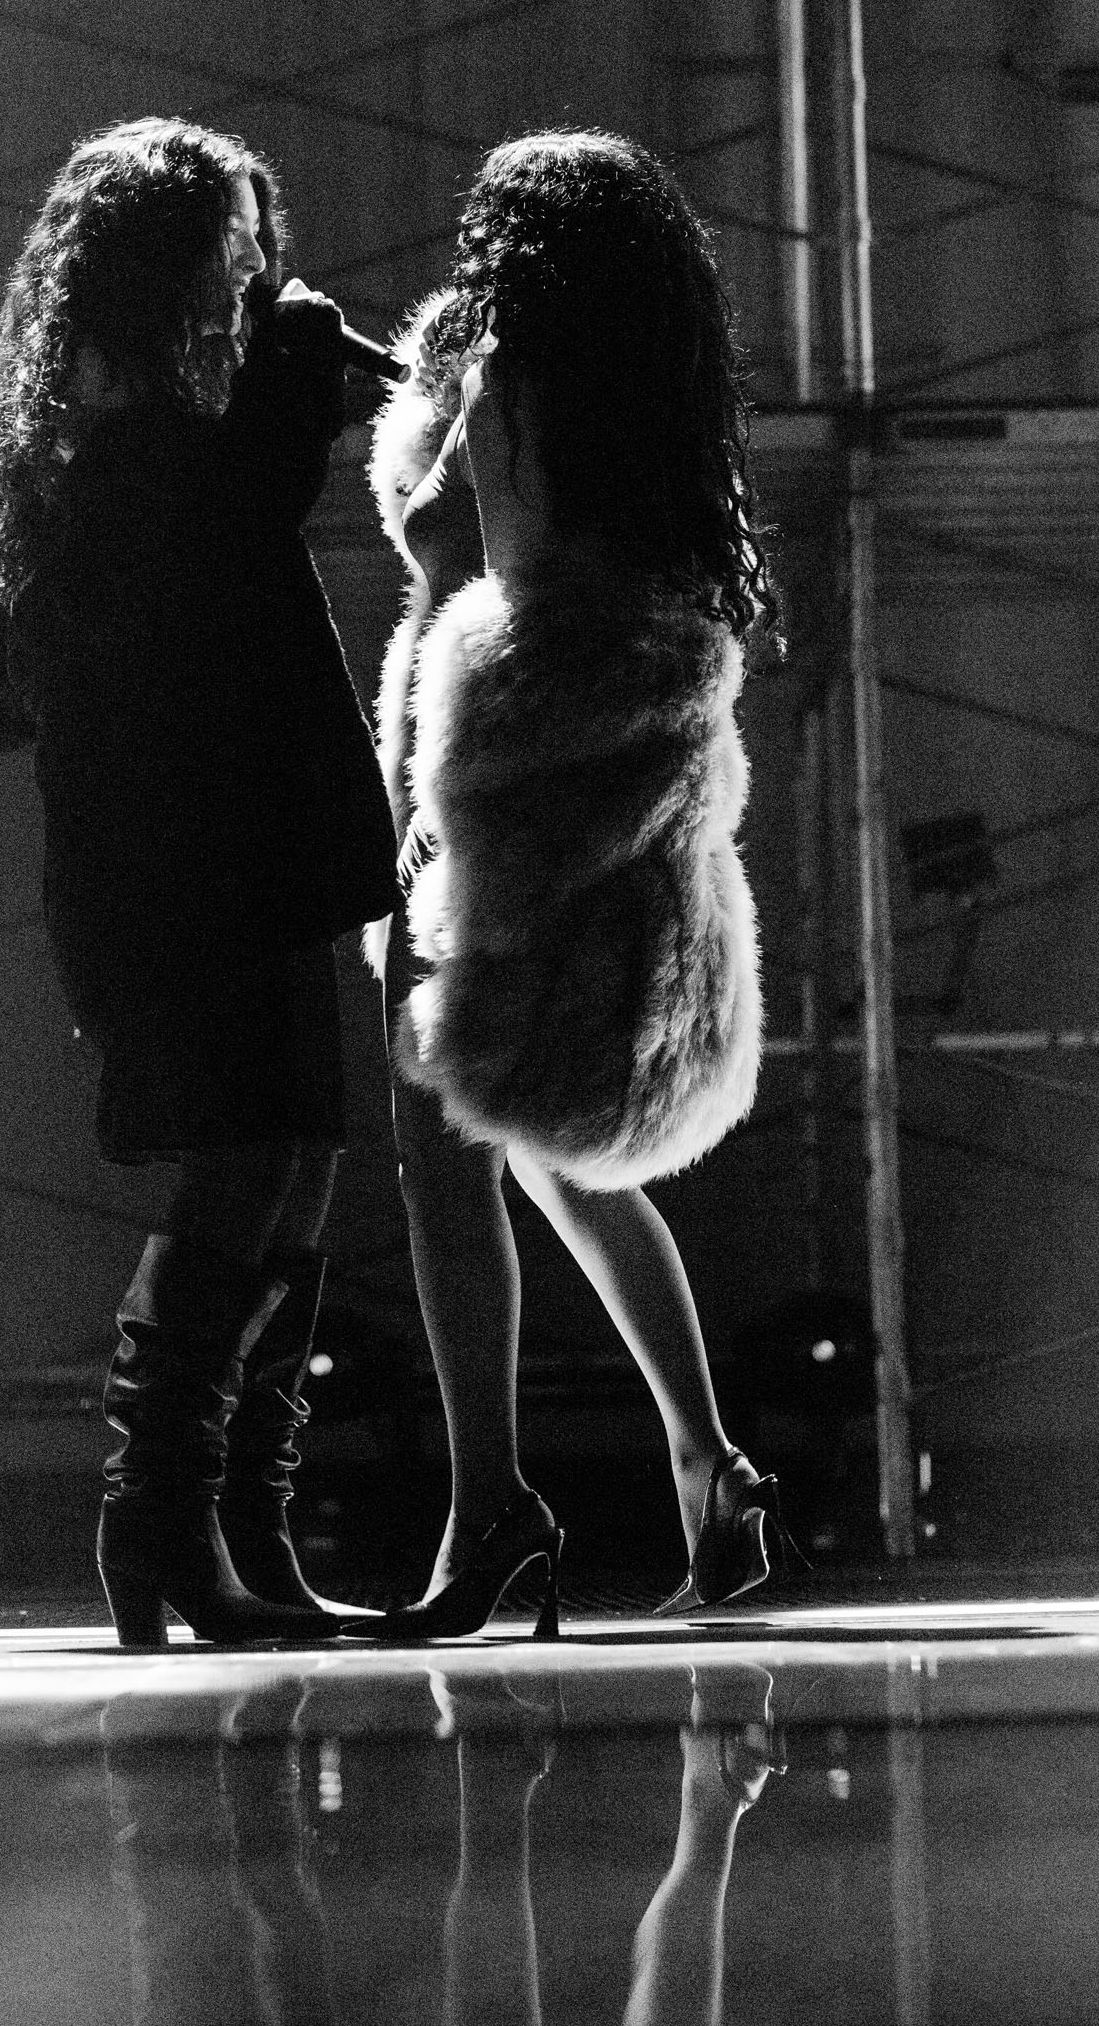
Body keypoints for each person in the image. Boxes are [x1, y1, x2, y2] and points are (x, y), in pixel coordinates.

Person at [0, 115, 399, 1646]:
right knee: (249, 1163)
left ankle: (234, 1540)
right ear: (163, 272)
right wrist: (293, 368)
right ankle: (165, 1536)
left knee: (300, 1164)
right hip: (182, 866)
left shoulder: (156, 433)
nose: (259, 277)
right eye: (234, 254)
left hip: (239, 848)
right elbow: (231, 516)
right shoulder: (127, 439)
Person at [367, 129, 797, 1637]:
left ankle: (489, 1512)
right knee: (560, 1154)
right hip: (589, 808)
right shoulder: (651, 419)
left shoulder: (505, 389)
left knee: (445, 1156)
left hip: (493, 808)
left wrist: (431, 817)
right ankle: (706, 1461)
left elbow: (479, 581)